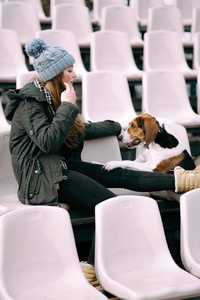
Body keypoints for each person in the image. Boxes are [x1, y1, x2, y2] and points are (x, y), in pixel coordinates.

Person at [4, 38, 200, 295]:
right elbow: (48, 142)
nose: (75, 74)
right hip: (40, 179)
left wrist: (114, 126)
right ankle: (91, 270)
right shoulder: (30, 104)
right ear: (55, 75)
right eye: (69, 70)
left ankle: (183, 180)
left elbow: (76, 133)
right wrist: (68, 107)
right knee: (108, 204)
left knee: (118, 173)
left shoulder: (51, 99)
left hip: (59, 167)